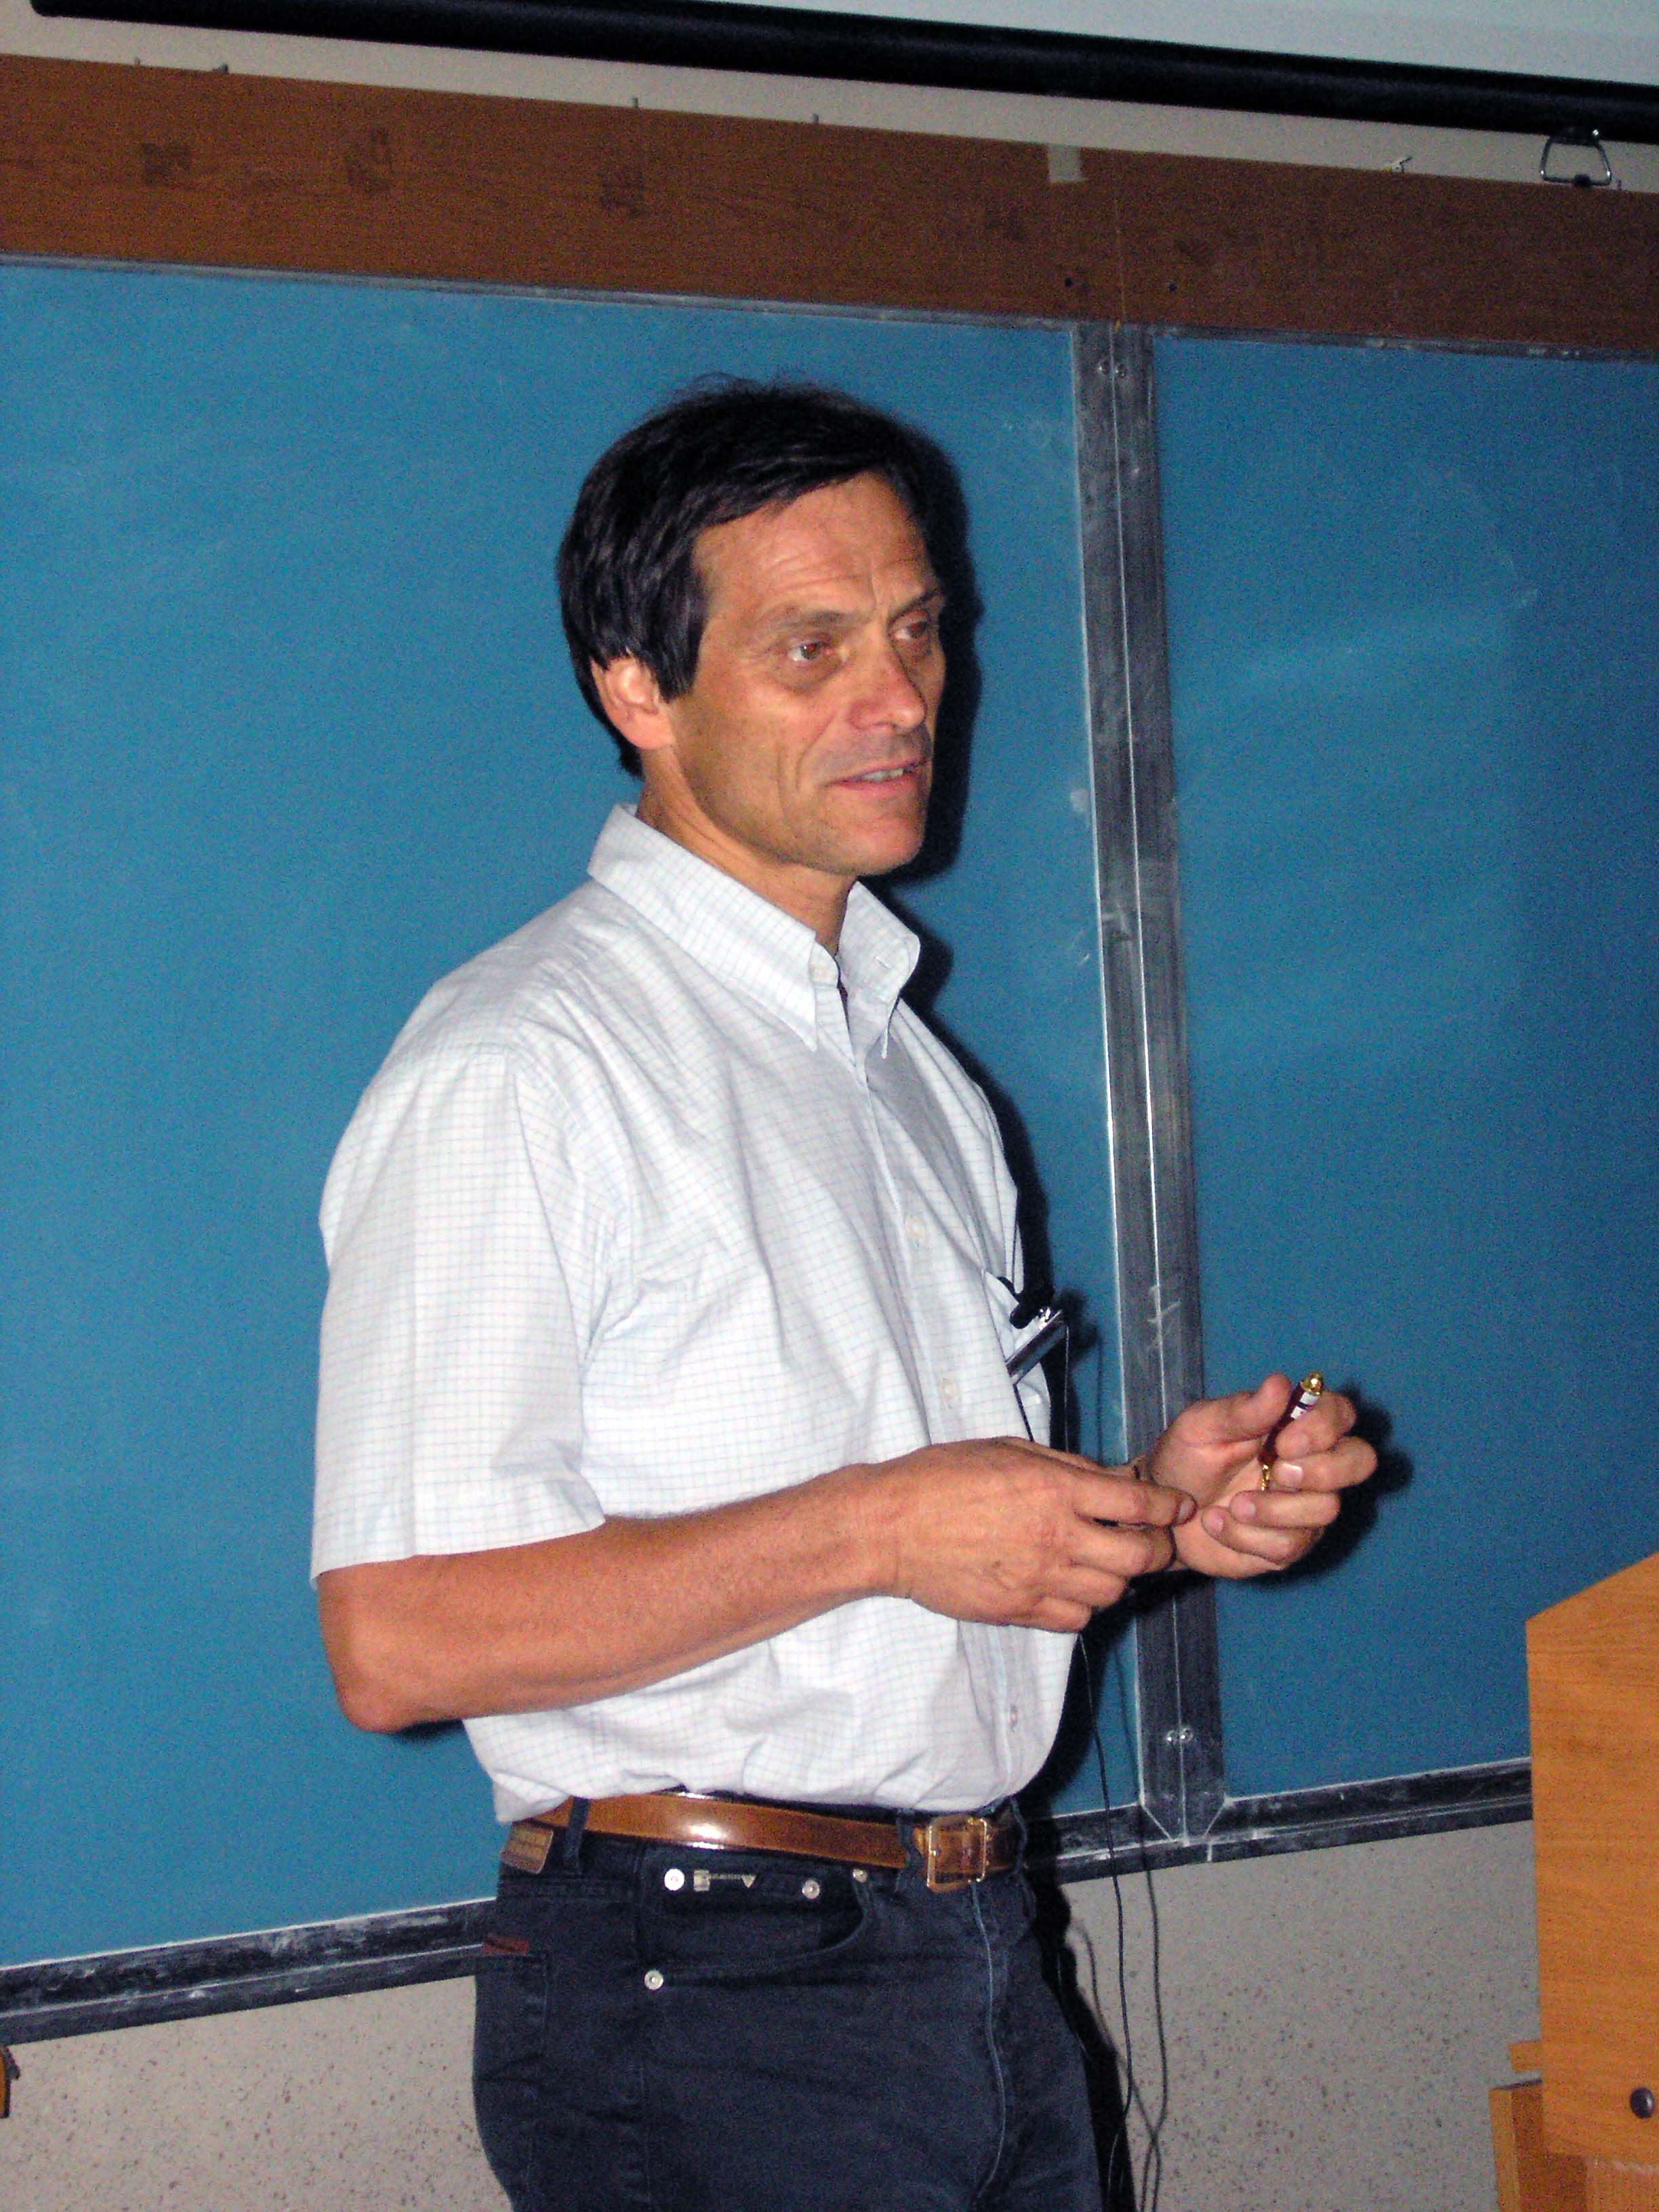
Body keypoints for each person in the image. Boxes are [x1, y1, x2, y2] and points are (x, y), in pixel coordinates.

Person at [312, 381, 1375, 2212]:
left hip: (976, 1952)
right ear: (636, 689)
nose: (899, 699)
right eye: (812, 649)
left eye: (917, 631)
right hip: (707, 1984)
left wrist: (1153, 1518)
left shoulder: (905, 1068)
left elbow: (909, 1563)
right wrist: (884, 1524)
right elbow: (398, 1638)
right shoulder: (525, 1065)